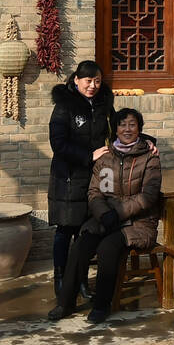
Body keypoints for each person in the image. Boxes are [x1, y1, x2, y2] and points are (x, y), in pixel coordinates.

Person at [48, 107, 162, 324]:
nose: (127, 129)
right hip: (106, 219)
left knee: (107, 248)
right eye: (122, 124)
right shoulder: (105, 158)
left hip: (137, 223)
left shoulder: (150, 158)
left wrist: (116, 213)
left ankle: (102, 305)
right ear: (115, 129)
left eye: (132, 124)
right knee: (81, 244)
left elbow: (148, 196)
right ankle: (65, 302)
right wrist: (103, 214)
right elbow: (95, 192)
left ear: (140, 129)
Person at [48, 61, 115, 303]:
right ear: (76, 79)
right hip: (68, 177)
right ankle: (60, 279)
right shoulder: (64, 105)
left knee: (86, 231)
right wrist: (89, 156)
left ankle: (82, 280)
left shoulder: (104, 103)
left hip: (95, 178)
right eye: (88, 80)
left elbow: (118, 131)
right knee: (65, 229)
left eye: (97, 80)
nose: (93, 86)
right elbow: (58, 143)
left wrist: (147, 141)